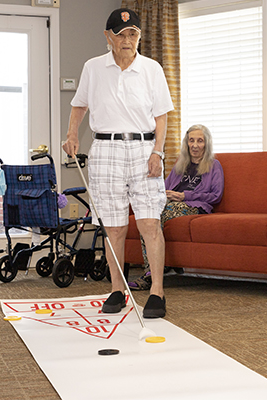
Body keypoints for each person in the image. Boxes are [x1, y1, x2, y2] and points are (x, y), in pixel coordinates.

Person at [62, 8, 173, 318]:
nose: (128, 40)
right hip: (106, 149)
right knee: (114, 226)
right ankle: (116, 290)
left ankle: (157, 293)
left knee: (150, 222)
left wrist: (158, 153)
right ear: (108, 37)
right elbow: (79, 105)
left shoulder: (151, 69)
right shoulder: (93, 67)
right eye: (121, 34)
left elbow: (161, 116)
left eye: (133, 34)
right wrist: (72, 135)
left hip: (144, 148)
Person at [129, 124, 224, 290]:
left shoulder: (214, 165)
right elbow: (164, 187)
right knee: (147, 216)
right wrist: (163, 194)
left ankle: (151, 274)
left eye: (200, 141)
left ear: (206, 144)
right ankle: (156, 268)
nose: (195, 145)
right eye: (191, 140)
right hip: (171, 202)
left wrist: (185, 196)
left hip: (194, 206)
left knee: (158, 216)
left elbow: (216, 196)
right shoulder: (181, 163)